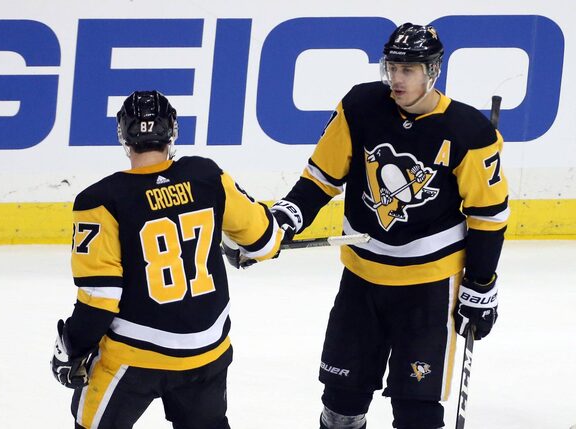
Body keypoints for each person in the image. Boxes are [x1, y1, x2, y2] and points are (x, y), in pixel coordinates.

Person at [269, 23, 509, 429]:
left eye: (408, 70)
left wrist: (480, 283)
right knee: (341, 406)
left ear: (433, 71)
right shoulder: (360, 106)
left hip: (429, 289)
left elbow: (488, 215)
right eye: (392, 67)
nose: (396, 78)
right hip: (362, 280)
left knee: (416, 411)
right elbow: (321, 177)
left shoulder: (469, 131)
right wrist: (285, 217)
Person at [50, 90, 283, 429]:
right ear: (172, 131)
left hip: (134, 357)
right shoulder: (207, 176)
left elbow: (100, 299)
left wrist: (72, 345)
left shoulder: (99, 200)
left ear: (123, 135)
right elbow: (265, 243)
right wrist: (239, 243)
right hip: (206, 352)